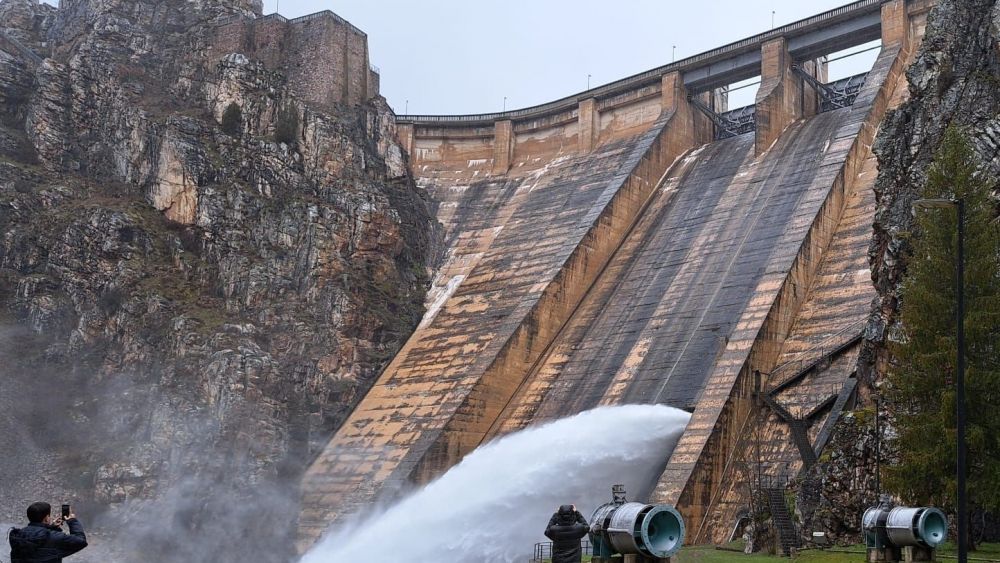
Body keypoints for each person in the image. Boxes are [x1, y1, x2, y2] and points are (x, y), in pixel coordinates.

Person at [8, 502, 87, 563]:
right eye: (49, 516)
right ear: (46, 518)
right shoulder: (53, 536)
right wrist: (72, 521)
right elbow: (81, 541)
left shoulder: (17, 536)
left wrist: (51, 527)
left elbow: (38, 544)